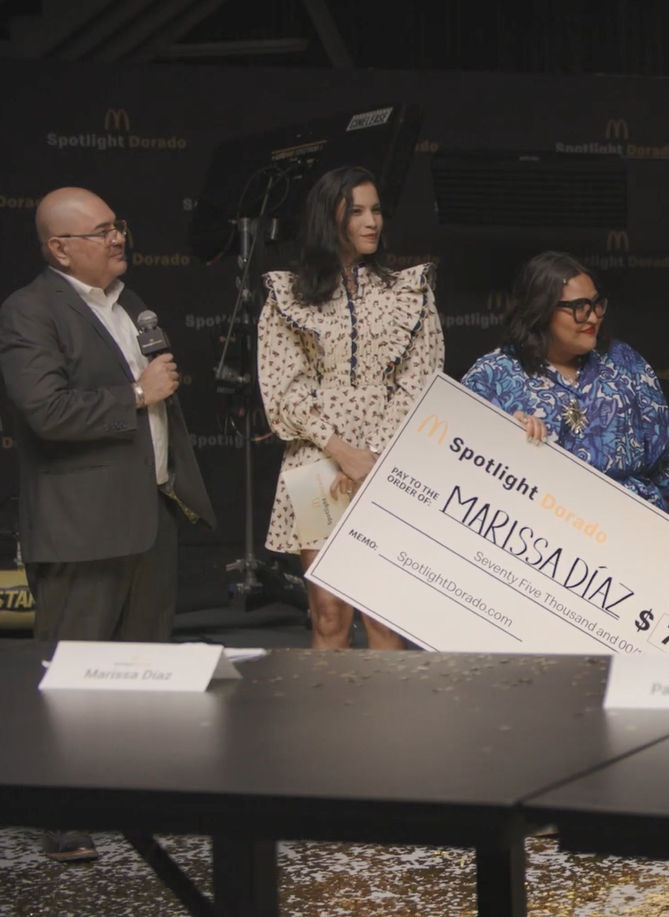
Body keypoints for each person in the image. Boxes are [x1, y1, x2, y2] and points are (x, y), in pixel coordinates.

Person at [0, 187, 216, 862]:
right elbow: (48, 412)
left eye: (118, 225)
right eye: (101, 231)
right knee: (74, 675)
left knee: (144, 667)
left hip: (148, 516)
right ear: (60, 248)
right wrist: (134, 392)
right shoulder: (28, 312)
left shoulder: (129, 305)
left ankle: (135, 796)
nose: (118, 237)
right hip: (80, 527)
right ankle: (63, 815)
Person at [258, 166, 444, 650]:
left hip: (387, 458)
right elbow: (285, 388)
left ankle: (390, 725)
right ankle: (327, 724)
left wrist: (373, 455)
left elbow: (418, 381)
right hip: (317, 460)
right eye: (357, 211)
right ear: (328, 217)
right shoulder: (288, 295)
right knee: (328, 614)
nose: (371, 222)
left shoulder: (408, 291)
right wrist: (341, 451)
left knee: (384, 615)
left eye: (376, 210)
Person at [462, 252, 669, 508]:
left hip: (630, 526)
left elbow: (665, 464)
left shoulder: (626, 363)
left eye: (597, 303)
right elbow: (463, 465)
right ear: (541, 309)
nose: (593, 317)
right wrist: (504, 437)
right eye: (579, 308)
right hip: (539, 528)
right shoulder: (492, 375)